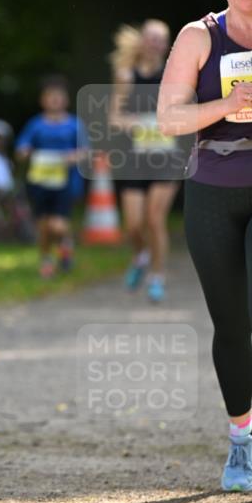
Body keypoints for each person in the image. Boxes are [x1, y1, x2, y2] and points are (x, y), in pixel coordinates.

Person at [157, 0, 252, 492]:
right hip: (212, 194)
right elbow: (168, 118)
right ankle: (241, 437)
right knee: (231, 325)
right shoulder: (199, 37)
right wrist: (226, 103)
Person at [108, 19, 180, 303]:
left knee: (154, 218)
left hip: (166, 157)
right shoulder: (126, 75)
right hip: (135, 158)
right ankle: (140, 256)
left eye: (161, 39)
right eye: (151, 37)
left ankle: (157, 277)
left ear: (167, 45)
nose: (155, 43)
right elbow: (114, 118)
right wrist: (138, 123)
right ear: (141, 40)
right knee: (134, 225)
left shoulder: (175, 74)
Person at [15, 75, 89, 278]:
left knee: (58, 224)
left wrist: (74, 156)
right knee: (43, 225)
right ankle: (46, 259)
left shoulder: (74, 124)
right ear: (43, 100)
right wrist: (25, 152)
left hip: (65, 182)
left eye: (59, 96)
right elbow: (21, 148)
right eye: (50, 96)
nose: (55, 100)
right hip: (40, 181)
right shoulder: (35, 125)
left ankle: (66, 243)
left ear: (66, 99)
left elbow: (85, 151)